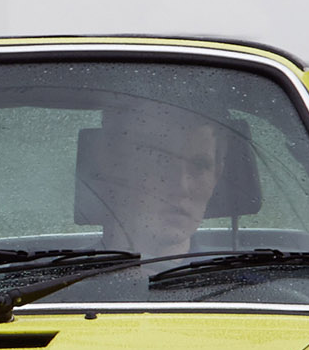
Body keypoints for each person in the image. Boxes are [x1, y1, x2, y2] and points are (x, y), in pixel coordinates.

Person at [86, 96, 227, 260]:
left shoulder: (247, 280)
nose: (182, 186)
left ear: (217, 175)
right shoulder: (63, 282)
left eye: (200, 165)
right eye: (161, 161)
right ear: (113, 168)